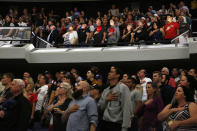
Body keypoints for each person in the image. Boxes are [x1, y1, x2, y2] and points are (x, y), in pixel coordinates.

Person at [98, 66, 132, 131]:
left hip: (116, 125)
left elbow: (126, 108)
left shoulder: (123, 88)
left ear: (117, 75)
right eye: (109, 72)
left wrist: (125, 127)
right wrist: (106, 99)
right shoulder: (106, 90)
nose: (109, 73)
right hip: (104, 123)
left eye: (111, 72)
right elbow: (100, 108)